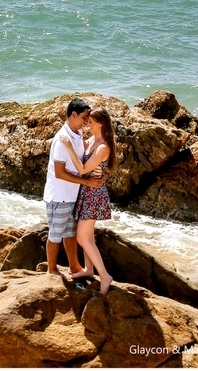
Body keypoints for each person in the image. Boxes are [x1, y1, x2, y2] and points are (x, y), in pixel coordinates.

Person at [43, 98, 105, 278]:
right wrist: (86, 182)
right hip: (58, 195)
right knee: (55, 234)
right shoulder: (62, 139)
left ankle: (74, 266)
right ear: (74, 114)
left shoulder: (77, 135)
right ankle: (52, 269)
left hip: (72, 195)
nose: (87, 121)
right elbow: (59, 173)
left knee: (70, 233)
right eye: (85, 117)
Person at [58, 106, 116, 294]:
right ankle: (88, 270)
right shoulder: (91, 140)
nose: (87, 123)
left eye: (90, 121)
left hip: (94, 194)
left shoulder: (102, 147)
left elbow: (83, 169)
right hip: (86, 191)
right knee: (88, 236)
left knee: (82, 237)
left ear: (100, 123)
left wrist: (68, 147)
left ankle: (105, 276)